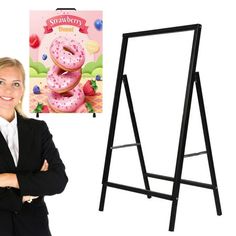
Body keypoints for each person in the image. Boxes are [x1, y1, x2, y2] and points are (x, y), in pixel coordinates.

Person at [0, 57, 68, 236]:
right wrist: (28, 191)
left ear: (22, 90)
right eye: (0, 82)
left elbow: (59, 180)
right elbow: (45, 181)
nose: (8, 89)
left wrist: (7, 179)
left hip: (34, 228)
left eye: (16, 83)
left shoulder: (38, 129)